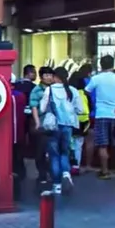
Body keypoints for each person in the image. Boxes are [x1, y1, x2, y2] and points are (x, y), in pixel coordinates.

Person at [32, 66, 77, 195]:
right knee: (64, 152)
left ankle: (57, 185)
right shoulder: (72, 90)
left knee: (54, 155)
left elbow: (42, 108)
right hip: (68, 125)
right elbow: (79, 109)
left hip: (53, 127)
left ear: (55, 77)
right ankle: (66, 173)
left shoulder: (49, 90)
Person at [85, 54, 115, 179]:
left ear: (100, 65)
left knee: (102, 144)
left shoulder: (96, 79)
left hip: (101, 114)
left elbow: (87, 91)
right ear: (113, 65)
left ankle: (105, 171)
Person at [66, 69, 91, 174]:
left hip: (71, 120)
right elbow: (91, 106)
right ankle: (77, 165)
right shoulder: (85, 93)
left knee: (69, 143)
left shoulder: (68, 92)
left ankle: (70, 164)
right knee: (79, 144)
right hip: (84, 120)